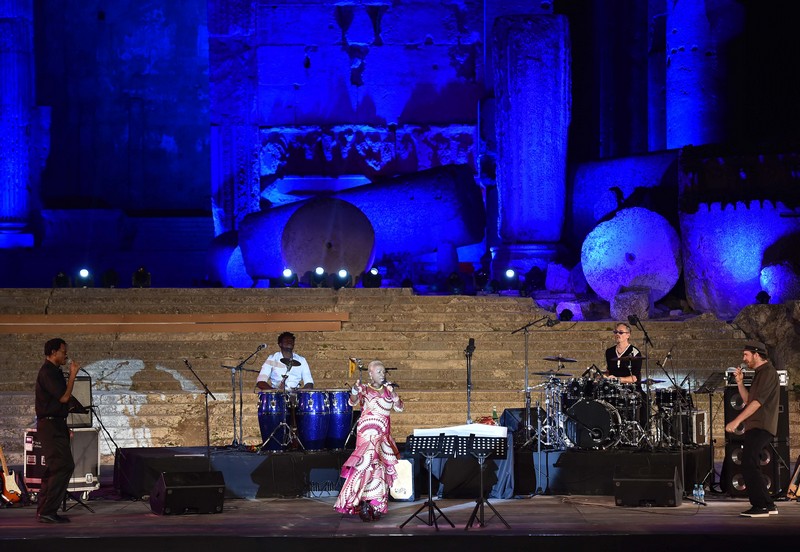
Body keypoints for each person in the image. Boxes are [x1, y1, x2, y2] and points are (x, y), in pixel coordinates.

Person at [334, 360, 403, 522]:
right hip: (367, 435)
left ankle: (377, 505)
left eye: (384, 371)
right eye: (378, 372)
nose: (382, 374)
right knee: (365, 469)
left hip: (383, 435)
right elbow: (352, 402)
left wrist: (394, 395)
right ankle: (364, 504)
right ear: (370, 373)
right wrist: (354, 391)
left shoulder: (388, 390)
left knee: (381, 470)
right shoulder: (364, 389)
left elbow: (399, 407)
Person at [725, 341, 780, 517]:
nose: (744, 359)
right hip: (756, 425)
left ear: (757, 355)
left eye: (746, 355)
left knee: (749, 463)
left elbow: (757, 403)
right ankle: (768, 505)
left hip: (762, 425)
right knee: (751, 463)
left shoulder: (768, 373)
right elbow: (749, 400)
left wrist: (736, 421)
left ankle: (760, 506)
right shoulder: (759, 373)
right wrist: (740, 383)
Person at [34, 338, 81, 524]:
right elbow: (63, 397)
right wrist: (72, 375)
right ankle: (48, 510)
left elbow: (59, 403)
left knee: (56, 467)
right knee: (63, 466)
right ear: (53, 352)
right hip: (50, 425)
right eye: (63, 351)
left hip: (56, 424)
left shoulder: (53, 371)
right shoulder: (48, 372)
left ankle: (44, 509)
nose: (66, 355)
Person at [603, 322, 645, 425]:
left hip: (630, 388)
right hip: (613, 387)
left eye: (621, 332)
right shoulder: (609, 352)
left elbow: (634, 378)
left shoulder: (635, 353)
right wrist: (603, 375)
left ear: (628, 335)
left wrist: (618, 379)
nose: (618, 334)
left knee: (644, 400)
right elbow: (610, 371)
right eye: (616, 332)